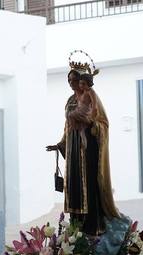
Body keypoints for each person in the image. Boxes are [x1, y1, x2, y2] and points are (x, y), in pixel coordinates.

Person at [46, 63, 119, 235]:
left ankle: (93, 227)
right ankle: (76, 227)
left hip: (88, 150)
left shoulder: (92, 96)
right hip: (72, 150)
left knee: (89, 184)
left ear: (81, 81)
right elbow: (67, 126)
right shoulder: (71, 101)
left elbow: (103, 123)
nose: (71, 83)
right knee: (74, 186)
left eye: (74, 80)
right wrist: (61, 144)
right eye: (69, 80)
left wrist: (91, 124)